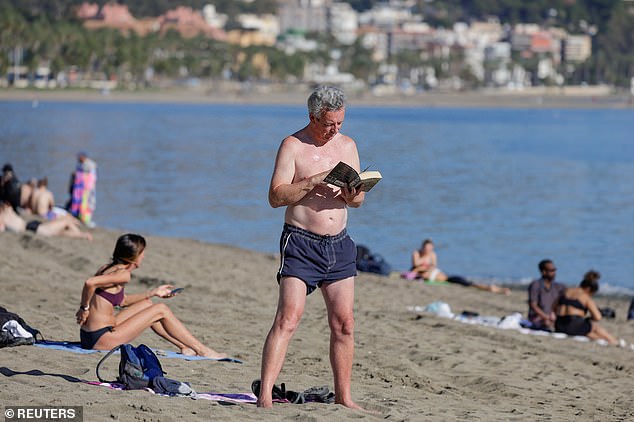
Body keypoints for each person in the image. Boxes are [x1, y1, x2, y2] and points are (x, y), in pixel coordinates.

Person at [258, 86, 364, 410]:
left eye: (340, 123)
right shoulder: (293, 145)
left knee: (344, 323)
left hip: (339, 244)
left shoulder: (347, 145)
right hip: (301, 242)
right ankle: (264, 396)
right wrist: (311, 182)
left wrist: (352, 193)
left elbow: (358, 200)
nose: (335, 130)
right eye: (330, 123)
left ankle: (344, 398)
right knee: (288, 318)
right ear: (313, 117)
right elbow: (275, 197)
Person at [75, 233, 227, 357]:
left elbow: (122, 301)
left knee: (148, 304)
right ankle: (202, 350)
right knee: (161, 309)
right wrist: (84, 307)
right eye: (143, 253)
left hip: (90, 335)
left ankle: (184, 347)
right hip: (102, 339)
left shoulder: (107, 268)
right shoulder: (123, 275)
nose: (144, 256)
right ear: (135, 256)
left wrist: (154, 292)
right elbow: (90, 282)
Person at [408, 239, 510, 295]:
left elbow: (434, 266)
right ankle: (492, 288)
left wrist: (426, 263)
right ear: (422, 247)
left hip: (447, 277)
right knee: (469, 284)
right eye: (427, 248)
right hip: (446, 279)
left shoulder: (432, 255)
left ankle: (494, 288)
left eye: (430, 248)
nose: (429, 250)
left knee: (468, 282)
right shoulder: (417, 255)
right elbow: (415, 266)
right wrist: (424, 261)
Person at [555, 270, 619, 345]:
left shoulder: (566, 291)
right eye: (592, 294)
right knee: (594, 327)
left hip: (559, 325)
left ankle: (608, 341)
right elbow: (598, 317)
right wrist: (590, 318)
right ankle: (613, 341)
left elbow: (554, 307)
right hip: (573, 325)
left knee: (588, 332)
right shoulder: (585, 296)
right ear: (588, 289)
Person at [0, 201, 92, 240]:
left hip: (32, 226)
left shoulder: (6, 212)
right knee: (64, 224)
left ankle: (81, 234)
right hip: (32, 227)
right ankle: (82, 234)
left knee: (61, 229)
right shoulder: (7, 211)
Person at [527, 259, 566, 331]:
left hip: (552, 316)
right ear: (544, 272)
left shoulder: (558, 286)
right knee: (547, 324)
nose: (554, 272)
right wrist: (545, 317)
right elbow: (533, 305)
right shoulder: (536, 285)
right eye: (551, 270)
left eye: (554, 270)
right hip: (538, 317)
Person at [68, 152, 97, 226]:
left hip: (87, 189)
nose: (78, 159)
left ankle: (86, 219)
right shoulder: (79, 164)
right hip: (78, 189)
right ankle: (78, 217)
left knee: (87, 203)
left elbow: (92, 177)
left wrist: (79, 176)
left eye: (79, 157)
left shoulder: (90, 164)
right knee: (78, 204)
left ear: (83, 157)